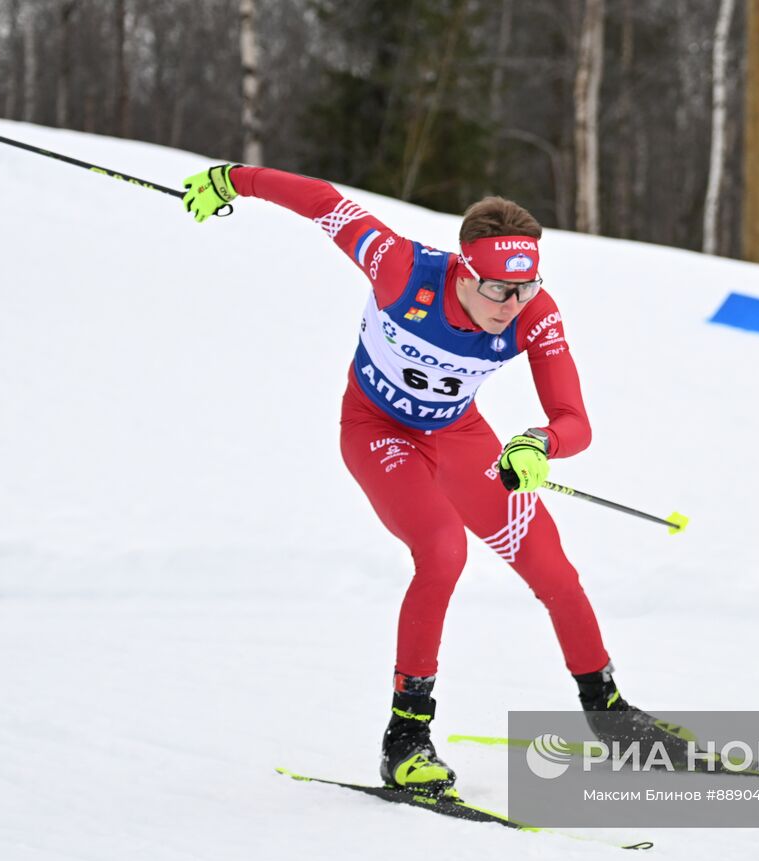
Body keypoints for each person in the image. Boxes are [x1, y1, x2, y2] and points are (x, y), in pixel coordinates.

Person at [182, 163, 687, 793]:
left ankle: (609, 715)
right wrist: (235, 179)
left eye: (526, 288)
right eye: (500, 289)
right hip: (377, 431)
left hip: (458, 435)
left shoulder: (535, 313)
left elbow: (574, 419)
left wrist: (540, 443)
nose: (513, 305)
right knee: (443, 550)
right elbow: (324, 202)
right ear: (465, 271)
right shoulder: (400, 268)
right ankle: (406, 739)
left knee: (550, 565)